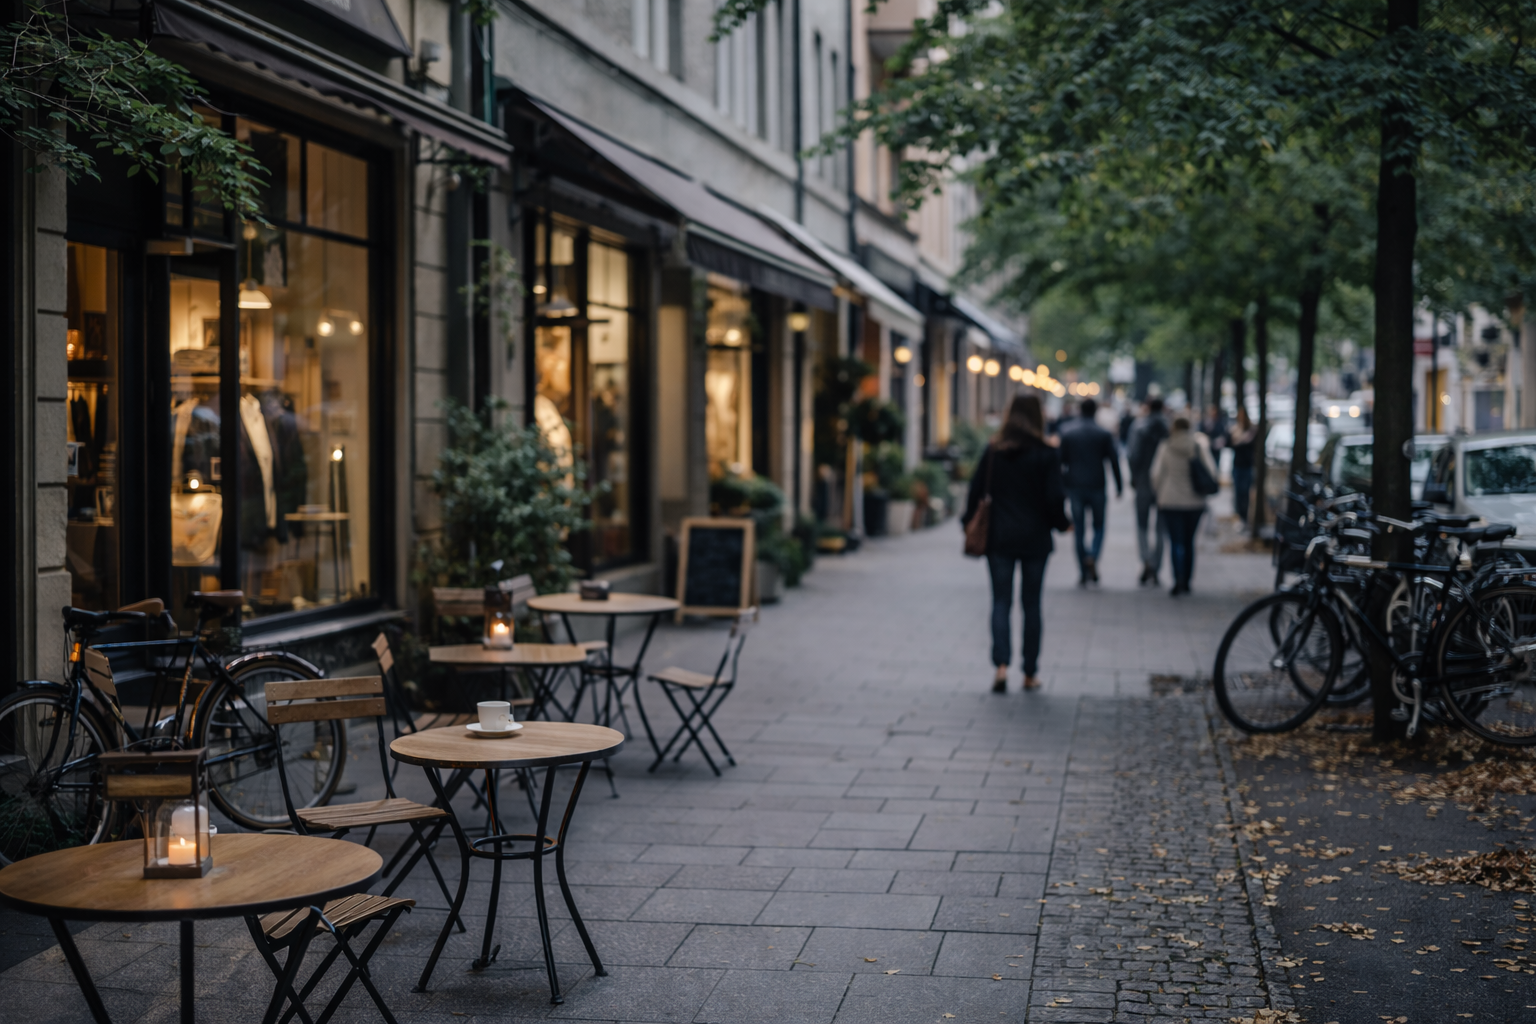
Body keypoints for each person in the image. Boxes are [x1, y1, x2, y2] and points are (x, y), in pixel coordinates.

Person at [963, 393, 1072, 693]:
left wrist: (966, 523)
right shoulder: (1047, 454)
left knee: (1001, 601)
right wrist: (1063, 524)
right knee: (1031, 605)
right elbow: (1054, 498)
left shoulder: (995, 450)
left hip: (1000, 536)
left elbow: (974, 492)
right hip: (1035, 539)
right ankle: (1029, 673)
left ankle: (1000, 667)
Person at [1058, 397, 1123, 585]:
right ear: (1095, 411)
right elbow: (1113, 460)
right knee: (1099, 526)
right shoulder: (1103, 434)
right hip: (1096, 485)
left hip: (1075, 486)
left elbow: (1060, 462)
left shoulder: (1068, 432)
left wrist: (1062, 486)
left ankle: (1082, 569)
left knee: (1078, 528)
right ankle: (1093, 555)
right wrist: (1119, 486)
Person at [1150, 415, 1218, 596]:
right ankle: (1187, 580)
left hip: (1170, 500)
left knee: (1175, 541)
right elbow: (1211, 471)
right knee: (1189, 541)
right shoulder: (1197, 446)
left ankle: (1177, 579)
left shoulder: (1165, 446)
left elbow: (1156, 474)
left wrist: (1159, 493)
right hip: (1194, 502)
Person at [1124, 398, 1170, 586]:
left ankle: (1146, 561)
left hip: (1143, 480)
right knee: (1161, 527)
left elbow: (1132, 454)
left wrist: (1134, 477)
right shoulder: (1168, 428)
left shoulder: (1139, 426)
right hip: (1164, 483)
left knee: (1142, 524)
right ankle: (1156, 565)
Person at [1228, 407, 1258, 528]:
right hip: (1237, 464)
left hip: (1247, 465)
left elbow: (1247, 444)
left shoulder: (1251, 430)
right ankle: (1239, 516)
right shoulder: (1235, 429)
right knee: (1237, 492)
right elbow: (1230, 443)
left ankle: (1244, 517)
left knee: (1245, 492)